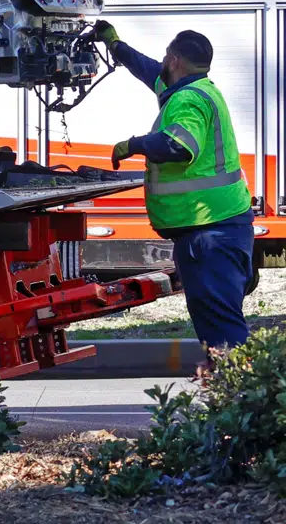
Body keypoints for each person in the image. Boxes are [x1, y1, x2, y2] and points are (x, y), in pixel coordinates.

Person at [94, 22, 255, 349]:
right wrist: (116, 45)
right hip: (218, 226)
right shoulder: (197, 87)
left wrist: (134, 144)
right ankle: (232, 388)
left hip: (209, 233)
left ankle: (239, 391)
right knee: (218, 318)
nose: (163, 61)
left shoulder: (187, 100)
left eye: (167, 56)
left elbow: (180, 147)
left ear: (176, 61)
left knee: (219, 324)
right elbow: (148, 69)